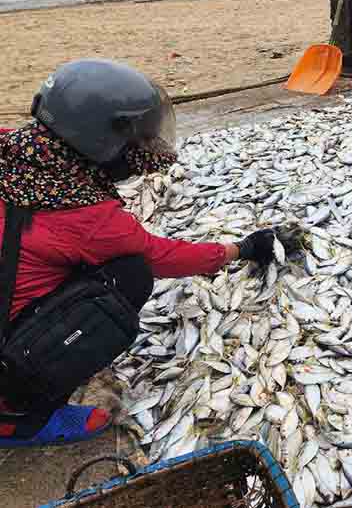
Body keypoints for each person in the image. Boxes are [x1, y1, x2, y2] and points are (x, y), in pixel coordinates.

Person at [0, 60, 278, 448]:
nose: (139, 149)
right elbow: (162, 257)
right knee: (130, 275)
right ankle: (17, 415)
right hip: (7, 358)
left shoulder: (15, 151)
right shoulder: (87, 216)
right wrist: (242, 248)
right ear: (97, 139)